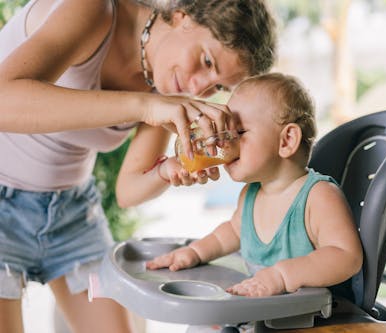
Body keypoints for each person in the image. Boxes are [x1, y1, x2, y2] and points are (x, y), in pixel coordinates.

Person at [0, 0, 277, 331]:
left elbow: (128, 191)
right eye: (206, 61)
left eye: (217, 86)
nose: (197, 87)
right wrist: (145, 105)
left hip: (70, 212)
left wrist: (168, 170)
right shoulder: (94, 9)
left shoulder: (161, 83)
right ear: (182, 16)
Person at [147, 73, 363, 298]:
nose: (225, 142)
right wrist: (194, 252)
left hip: (320, 322)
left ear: (286, 140)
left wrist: (280, 276)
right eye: (225, 130)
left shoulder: (319, 197)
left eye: (239, 132)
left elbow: (346, 256)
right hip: (264, 317)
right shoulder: (250, 195)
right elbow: (230, 233)